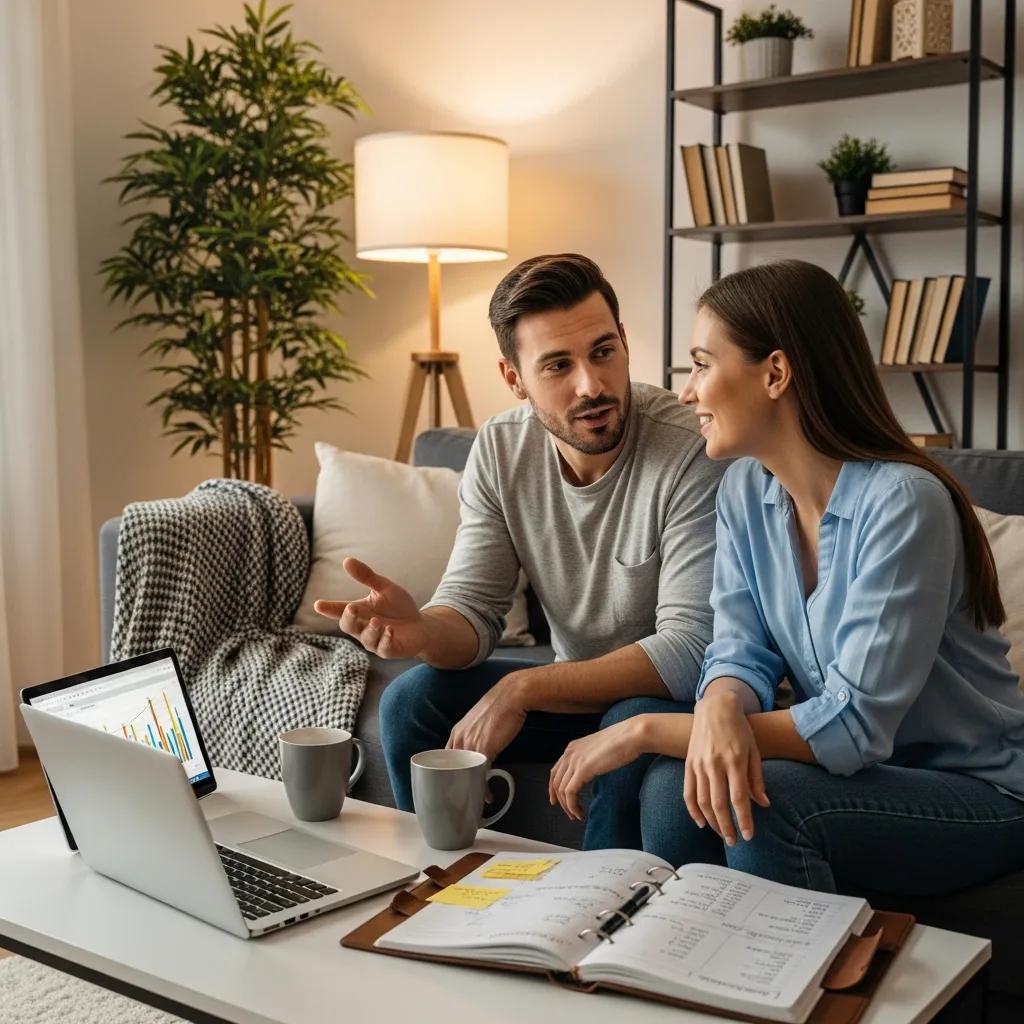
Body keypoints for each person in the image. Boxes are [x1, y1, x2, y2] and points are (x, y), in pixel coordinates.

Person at [550, 258, 1024, 896]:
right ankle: (661, 979)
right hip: (866, 775)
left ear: (774, 372)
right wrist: (719, 705)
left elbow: (854, 724)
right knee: (671, 788)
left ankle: (781, 990)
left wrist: (642, 730)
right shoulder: (745, 488)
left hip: (980, 790)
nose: (687, 392)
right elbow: (737, 647)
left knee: (761, 802)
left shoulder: (904, 503)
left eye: (701, 363)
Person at [314, 253, 725, 835]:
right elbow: (472, 612)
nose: (591, 384)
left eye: (603, 352)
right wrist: (424, 632)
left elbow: (687, 653)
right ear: (514, 379)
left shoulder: (689, 449)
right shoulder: (501, 449)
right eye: (557, 365)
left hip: (666, 701)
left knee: (630, 717)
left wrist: (524, 686)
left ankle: (597, 911)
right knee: (411, 700)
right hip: (577, 690)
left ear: (625, 342)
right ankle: (436, 884)